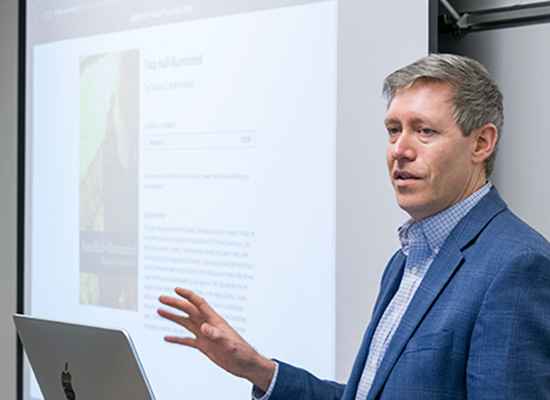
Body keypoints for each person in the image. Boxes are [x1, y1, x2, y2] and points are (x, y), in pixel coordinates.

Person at [158, 53, 550, 399]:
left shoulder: (517, 265)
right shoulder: (406, 260)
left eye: (424, 130)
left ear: (482, 143)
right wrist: (258, 369)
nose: (400, 149)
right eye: (394, 130)